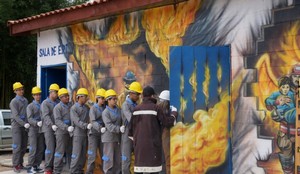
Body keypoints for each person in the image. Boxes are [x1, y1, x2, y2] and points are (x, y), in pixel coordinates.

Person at [129, 86, 177, 174]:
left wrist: (137, 142)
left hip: (139, 150)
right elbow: (166, 122)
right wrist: (174, 114)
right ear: (152, 96)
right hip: (153, 148)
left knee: (140, 170)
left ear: (142, 96)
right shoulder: (156, 108)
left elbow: (130, 131)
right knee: (153, 170)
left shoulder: (136, 110)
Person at [265, 76, 296, 173]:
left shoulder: (292, 94)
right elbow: (268, 101)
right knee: (287, 162)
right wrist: (278, 101)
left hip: (294, 128)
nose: (285, 89)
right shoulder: (276, 94)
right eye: (283, 87)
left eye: (287, 87)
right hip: (285, 132)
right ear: (280, 87)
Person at [121, 82, 143, 174]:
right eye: (137, 94)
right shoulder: (125, 105)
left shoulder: (136, 104)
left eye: (139, 94)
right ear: (131, 93)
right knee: (126, 159)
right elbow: (131, 119)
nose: (138, 96)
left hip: (136, 133)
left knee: (138, 158)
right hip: (127, 134)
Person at [9, 82, 29, 173]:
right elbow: (16, 116)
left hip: (24, 126)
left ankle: (20, 163)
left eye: (22, 89)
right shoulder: (13, 102)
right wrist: (24, 123)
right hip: (17, 127)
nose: (21, 91)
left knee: (24, 146)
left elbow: (27, 114)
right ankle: (15, 165)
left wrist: (28, 123)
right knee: (17, 146)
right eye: (19, 89)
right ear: (15, 91)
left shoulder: (25, 100)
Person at [102, 89, 123, 174]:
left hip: (117, 138)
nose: (115, 101)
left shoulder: (118, 109)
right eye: (113, 99)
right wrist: (119, 129)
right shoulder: (105, 112)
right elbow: (109, 126)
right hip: (109, 139)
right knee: (108, 159)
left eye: (115, 99)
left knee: (117, 159)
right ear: (108, 100)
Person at [86, 88, 106, 174]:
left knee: (104, 156)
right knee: (92, 156)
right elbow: (93, 121)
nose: (103, 100)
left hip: (103, 134)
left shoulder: (105, 107)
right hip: (93, 134)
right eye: (102, 98)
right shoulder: (93, 108)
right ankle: (89, 172)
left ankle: (105, 172)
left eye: (104, 98)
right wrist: (100, 127)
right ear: (97, 98)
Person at [53, 88, 73, 174]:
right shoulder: (57, 108)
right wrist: (66, 127)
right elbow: (57, 121)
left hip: (70, 133)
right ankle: (57, 170)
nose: (67, 98)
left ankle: (71, 169)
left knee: (70, 151)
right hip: (61, 133)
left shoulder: (70, 106)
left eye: (68, 96)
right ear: (60, 98)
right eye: (65, 96)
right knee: (60, 152)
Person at [41, 83, 60, 174]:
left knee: (57, 148)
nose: (57, 94)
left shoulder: (57, 103)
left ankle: (54, 166)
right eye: (56, 92)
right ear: (51, 92)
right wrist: (52, 125)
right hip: (48, 128)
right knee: (50, 148)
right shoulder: (45, 103)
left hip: (57, 128)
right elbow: (46, 116)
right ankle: (48, 168)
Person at [70, 88, 90, 174]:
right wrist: (86, 125)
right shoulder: (74, 108)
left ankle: (80, 170)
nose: (86, 98)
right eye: (85, 97)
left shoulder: (86, 107)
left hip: (85, 134)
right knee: (76, 154)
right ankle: (73, 171)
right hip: (77, 135)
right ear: (80, 97)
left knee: (82, 155)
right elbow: (76, 121)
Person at [157, 90, 177, 174]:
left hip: (162, 135)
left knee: (167, 158)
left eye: (161, 101)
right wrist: (173, 114)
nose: (160, 103)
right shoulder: (160, 110)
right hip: (160, 135)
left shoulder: (160, 109)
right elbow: (168, 122)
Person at [26, 86, 44, 173]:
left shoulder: (42, 105)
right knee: (33, 149)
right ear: (33, 96)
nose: (38, 96)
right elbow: (29, 118)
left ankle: (36, 166)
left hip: (41, 130)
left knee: (40, 149)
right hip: (33, 129)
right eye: (36, 95)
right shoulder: (30, 106)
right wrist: (36, 123)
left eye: (39, 94)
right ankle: (29, 167)